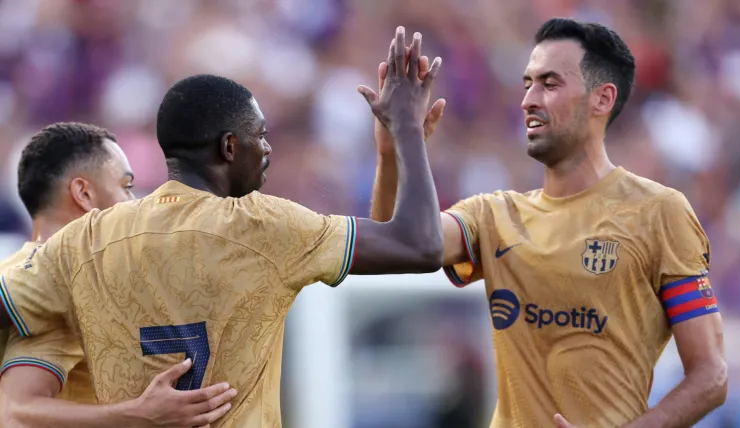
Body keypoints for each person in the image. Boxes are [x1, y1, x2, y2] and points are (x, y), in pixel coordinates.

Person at [0, 27, 444, 427]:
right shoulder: (266, 226)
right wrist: (405, 130)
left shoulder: (85, 241)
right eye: (261, 136)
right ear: (230, 147)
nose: (268, 148)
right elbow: (420, 247)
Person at [370, 18, 727, 428]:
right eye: (527, 84)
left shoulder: (659, 212)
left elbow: (711, 376)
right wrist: (395, 146)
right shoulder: (494, 215)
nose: (528, 100)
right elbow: (397, 245)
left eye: (550, 84)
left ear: (602, 99)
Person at [0, 122, 237, 427]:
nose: (134, 202)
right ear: (83, 193)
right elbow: (16, 413)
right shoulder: (63, 284)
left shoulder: (13, 273)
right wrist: (141, 415)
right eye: (126, 186)